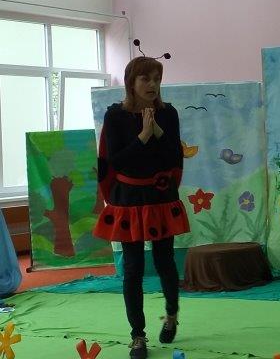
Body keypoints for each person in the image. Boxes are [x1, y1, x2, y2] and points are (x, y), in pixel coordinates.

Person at [93, 55, 190, 359]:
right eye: (145, 78)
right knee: (133, 268)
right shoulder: (115, 116)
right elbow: (116, 161)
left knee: (165, 262)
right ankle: (137, 336)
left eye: (157, 79)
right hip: (129, 200)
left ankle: (171, 316)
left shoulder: (168, 114)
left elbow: (173, 158)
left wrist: (157, 131)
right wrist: (143, 136)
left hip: (160, 198)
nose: (152, 85)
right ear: (131, 82)